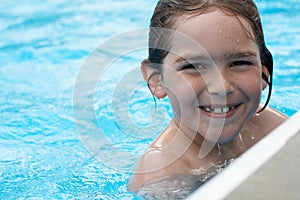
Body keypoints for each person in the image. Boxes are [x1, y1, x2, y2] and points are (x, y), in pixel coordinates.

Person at [128, 0, 287, 198]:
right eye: (193, 67)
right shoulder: (161, 172)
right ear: (157, 80)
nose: (221, 87)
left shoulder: (271, 128)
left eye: (239, 63)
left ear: (264, 72)